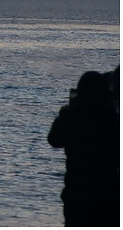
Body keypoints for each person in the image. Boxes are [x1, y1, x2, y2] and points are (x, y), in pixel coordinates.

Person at [48, 70, 119, 227]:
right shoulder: (113, 120)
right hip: (107, 198)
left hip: (76, 198)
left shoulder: (71, 117)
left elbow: (53, 139)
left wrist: (65, 112)